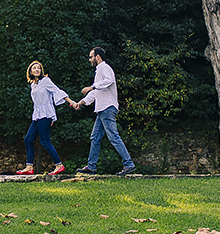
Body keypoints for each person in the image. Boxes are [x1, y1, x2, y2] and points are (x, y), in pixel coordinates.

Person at [73, 46, 136, 176]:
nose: (90, 59)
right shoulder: (99, 71)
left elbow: (108, 81)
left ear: (98, 57)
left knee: (113, 136)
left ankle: (129, 164)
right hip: (102, 109)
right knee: (95, 137)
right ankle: (91, 166)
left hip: (107, 108)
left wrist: (91, 87)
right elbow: (96, 91)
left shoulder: (104, 68)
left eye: (91, 56)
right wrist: (82, 102)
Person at [17, 60, 77, 176]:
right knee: (28, 139)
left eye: (39, 68)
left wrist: (71, 102)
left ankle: (59, 165)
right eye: (34, 68)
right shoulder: (33, 85)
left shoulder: (45, 81)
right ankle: (29, 167)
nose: (37, 70)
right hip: (37, 115)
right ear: (30, 71)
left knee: (44, 140)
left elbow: (57, 91)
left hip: (45, 114)